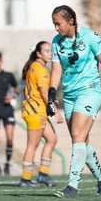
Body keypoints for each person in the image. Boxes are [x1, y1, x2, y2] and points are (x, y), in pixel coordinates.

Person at [47, 5, 101, 198]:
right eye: (54, 24)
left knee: (77, 135)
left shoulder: (90, 36)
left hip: (90, 91)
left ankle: (72, 186)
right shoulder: (56, 42)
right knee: (81, 141)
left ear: (71, 21)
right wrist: (52, 92)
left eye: (58, 23)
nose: (56, 28)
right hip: (69, 96)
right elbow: (56, 70)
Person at [19, 41, 64, 188]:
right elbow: (45, 94)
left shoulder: (35, 66)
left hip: (36, 111)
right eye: (46, 51)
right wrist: (56, 112)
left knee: (52, 139)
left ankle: (43, 174)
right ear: (38, 54)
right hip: (35, 111)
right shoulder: (40, 70)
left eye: (50, 51)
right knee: (32, 145)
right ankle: (25, 179)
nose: (50, 53)